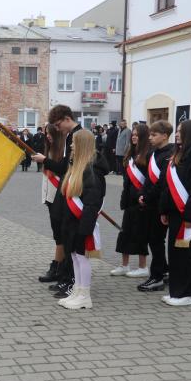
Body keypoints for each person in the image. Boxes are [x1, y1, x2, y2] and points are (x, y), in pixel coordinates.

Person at [32, 105, 84, 299]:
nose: (57, 128)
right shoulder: (71, 136)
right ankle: (66, 277)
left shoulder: (79, 136)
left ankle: (72, 281)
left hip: (74, 192)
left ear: (67, 118)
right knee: (65, 237)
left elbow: (66, 167)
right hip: (66, 190)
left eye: (57, 124)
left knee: (72, 240)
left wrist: (45, 160)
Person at [58, 130, 108, 309]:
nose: (71, 145)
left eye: (74, 142)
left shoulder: (91, 171)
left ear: (82, 145)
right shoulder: (77, 167)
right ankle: (77, 291)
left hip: (81, 224)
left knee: (82, 258)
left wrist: (85, 229)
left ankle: (85, 295)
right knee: (74, 257)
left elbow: (91, 204)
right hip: (72, 222)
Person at [159, 120, 191, 306]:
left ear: (190, 134)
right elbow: (168, 187)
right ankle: (176, 292)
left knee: (185, 254)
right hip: (175, 213)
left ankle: (186, 294)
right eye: (176, 131)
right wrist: (164, 210)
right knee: (175, 253)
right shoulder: (179, 154)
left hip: (186, 215)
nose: (176, 135)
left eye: (180, 131)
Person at [137, 120, 174, 291]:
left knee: (156, 240)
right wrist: (142, 194)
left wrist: (147, 197)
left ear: (165, 136)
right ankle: (163, 270)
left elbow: (162, 182)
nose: (150, 138)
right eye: (150, 134)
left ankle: (157, 276)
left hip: (161, 205)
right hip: (150, 203)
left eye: (154, 135)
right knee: (153, 240)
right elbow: (147, 179)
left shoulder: (170, 154)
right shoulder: (153, 153)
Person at [111, 124, 150, 277]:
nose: (134, 137)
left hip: (141, 202)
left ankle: (143, 267)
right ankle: (124, 265)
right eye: (133, 134)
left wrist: (143, 196)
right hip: (129, 201)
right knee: (125, 233)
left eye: (137, 135)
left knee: (140, 234)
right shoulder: (130, 155)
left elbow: (149, 180)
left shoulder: (148, 155)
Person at [39, 123, 65, 283]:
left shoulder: (62, 151)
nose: (48, 136)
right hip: (50, 197)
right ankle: (59, 265)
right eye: (46, 133)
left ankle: (58, 266)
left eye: (50, 133)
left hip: (59, 197)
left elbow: (61, 171)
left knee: (60, 234)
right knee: (57, 233)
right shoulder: (49, 150)